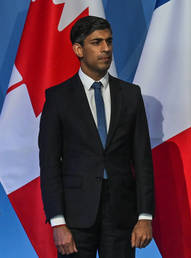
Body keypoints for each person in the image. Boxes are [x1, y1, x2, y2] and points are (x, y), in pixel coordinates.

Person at [39, 16, 154, 258]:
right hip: (75, 217)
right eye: (97, 42)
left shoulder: (131, 95)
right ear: (78, 49)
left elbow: (142, 160)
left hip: (121, 214)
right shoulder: (58, 98)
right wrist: (58, 221)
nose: (106, 49)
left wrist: (145, 216)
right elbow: (49, 164)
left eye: (109, 41)